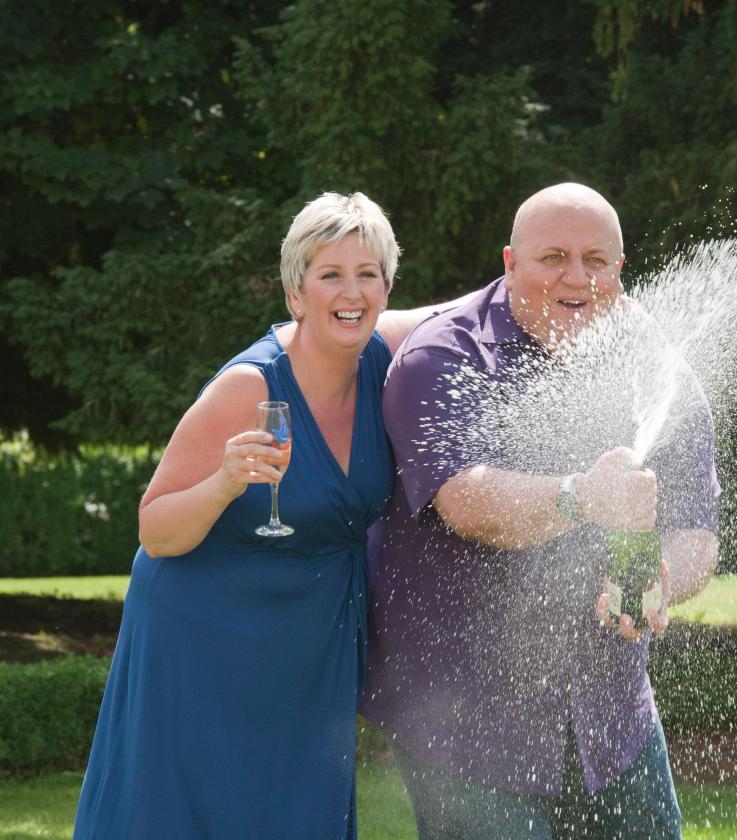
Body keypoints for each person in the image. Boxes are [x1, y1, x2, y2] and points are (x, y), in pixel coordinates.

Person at [73, 192, 459, 840]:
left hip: (307, 648)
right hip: (200, 643)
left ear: (388, 286)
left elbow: (464, 314)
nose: (352, 291)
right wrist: (225, 482)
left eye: (368, 274)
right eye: (330, 274)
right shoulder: (249, 387)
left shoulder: (384, 355)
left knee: (291, 810)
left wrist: (537, 285)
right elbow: (155, 529)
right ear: (295, 291)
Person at [362, 183, 721, 839]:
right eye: (554, 256)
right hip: (468, 724)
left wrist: (662, 578)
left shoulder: (654, 371)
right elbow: (466, 501)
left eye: (597, 259)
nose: (576, 276)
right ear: (510, 263)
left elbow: (697, 530)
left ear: (619, 269)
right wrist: (580, 495)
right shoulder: (444, 358)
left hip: (612, 721)